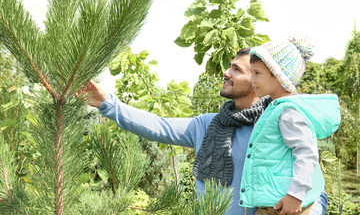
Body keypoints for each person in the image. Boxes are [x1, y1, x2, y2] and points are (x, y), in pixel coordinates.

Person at [79, 47, 330, 215]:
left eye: (237, 70)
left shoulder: (275, 125)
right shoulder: (207, 124)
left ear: (256, 81)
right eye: (229, 66)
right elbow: (157, 126)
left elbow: (312, 183)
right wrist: (106, 103)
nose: (226, 72)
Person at [243, 37, 341, 215]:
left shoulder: (288, 112)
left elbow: (306, 152)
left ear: (279, 75)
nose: (251, 79)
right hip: (276, 202)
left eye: (257, 73)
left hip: (291, 204)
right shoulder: (276, 109)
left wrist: (296, 195)